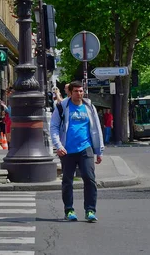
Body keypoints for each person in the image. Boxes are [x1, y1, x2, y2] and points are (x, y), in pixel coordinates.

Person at [50, 80, 104, 223]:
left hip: (85, 148)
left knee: (89, 178)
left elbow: (96, 128)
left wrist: (99, 151)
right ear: (70, 92)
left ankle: (90, 210)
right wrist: (58, 145)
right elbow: (54, 127)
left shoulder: (89, 106)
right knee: (67, 180)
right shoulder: (62, 107)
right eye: (76, 91)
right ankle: (69, 210)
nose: (79, 94)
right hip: (67, 150)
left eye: (81, 91)